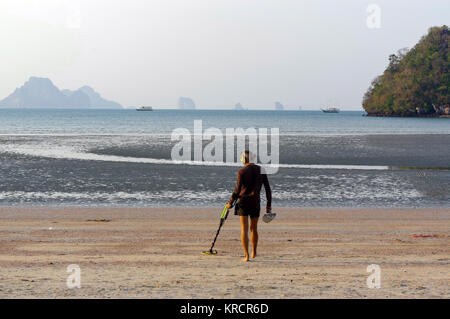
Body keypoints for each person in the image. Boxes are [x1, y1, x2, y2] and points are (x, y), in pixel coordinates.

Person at [226, 150, 272, 262]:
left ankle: (246, 255)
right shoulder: (261, 170)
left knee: (244, 229)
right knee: (254, 229)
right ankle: (254, 252)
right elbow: (267, 189)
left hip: (243, 203)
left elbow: (237, 190)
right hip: (255, 202)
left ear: (244, 159)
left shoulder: (242, 171)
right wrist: (268, 206)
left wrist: (230, 202)